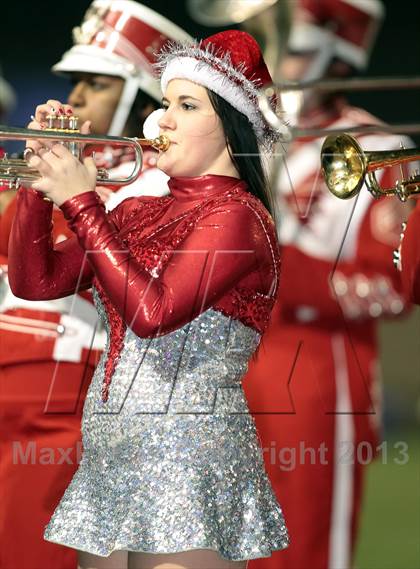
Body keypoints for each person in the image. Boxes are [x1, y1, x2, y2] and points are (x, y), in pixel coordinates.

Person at [9, 29, 289, 569]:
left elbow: (153, 313)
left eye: (187, 105)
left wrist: (81, 201)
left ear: (233, 127)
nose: (161, 120)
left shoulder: (237, 217)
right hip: (112, 453)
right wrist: (37, 182)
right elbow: (35, 281)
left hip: (187, 455)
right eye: (166, 103)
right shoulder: (139, 210)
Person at [0, 3, 191, 569]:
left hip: (68, 396)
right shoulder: (75, 166)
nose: (77, 97)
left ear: (141, 98)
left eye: (97, 82)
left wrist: (54, 183)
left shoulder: (158, 187)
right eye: (76, 82)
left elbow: (85, 261)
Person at [238, 1, 413, 569]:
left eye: (289, 44)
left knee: (304, 547)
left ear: (337, 53)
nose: (271, 61)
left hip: (319, 369)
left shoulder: (380, 149)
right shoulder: (241, 141)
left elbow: (394, 288)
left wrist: (279, 261)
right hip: (228, 362)